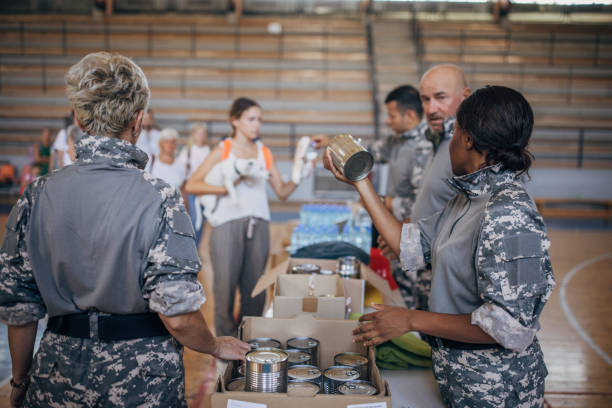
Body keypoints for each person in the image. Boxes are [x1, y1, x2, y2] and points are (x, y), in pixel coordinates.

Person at [0, 51, 249, 408]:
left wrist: (21, 380)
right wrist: (213, 344)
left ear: (78, 118)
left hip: (58, 373)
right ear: (138, 120)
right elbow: (176, 313)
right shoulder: (160, 197)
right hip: (142, 380)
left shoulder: (37, 194)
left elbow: (19, 309)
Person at [325, 85, 554, 407]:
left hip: (498, 388)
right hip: (460, 376)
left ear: (468, 139)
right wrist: (360, 182)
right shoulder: (469, 199)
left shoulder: (508, 214)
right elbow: (410, 245)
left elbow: (508, 327)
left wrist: (410, 319)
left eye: (456, 129)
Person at [185, 97, 299, 337]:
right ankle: (225, 349)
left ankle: (249, 343)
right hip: (226, 226)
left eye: (259, 119)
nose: (256, 124)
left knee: (255, 292)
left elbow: (283, 192)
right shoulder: (223, 150)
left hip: (258, 225)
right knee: (224, 290)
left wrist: (301, 171)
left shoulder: (264, 152)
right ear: (234, 121)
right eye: (251, 119)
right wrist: (224, 189)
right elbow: (192, 184)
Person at [313, 85, 430, 222]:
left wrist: (382, 201)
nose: (387, 121)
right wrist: (331, 143)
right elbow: (364, 151)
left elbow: (423, 206)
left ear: (410, 115)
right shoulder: (397, 141)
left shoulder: (425, 147)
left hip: (412, 230)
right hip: (394, 224)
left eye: (392, 116)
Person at [176, 124, 211, 247]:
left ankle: (195, 247)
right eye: (198, 133)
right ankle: (191, 247)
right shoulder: (188, 151)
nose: (201, 136)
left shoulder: (208, 150)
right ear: (194, 135)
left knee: (202, 221)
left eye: (203, 133)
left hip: (205, 189)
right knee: (195, 220)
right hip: (192, 189)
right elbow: (181, 170)